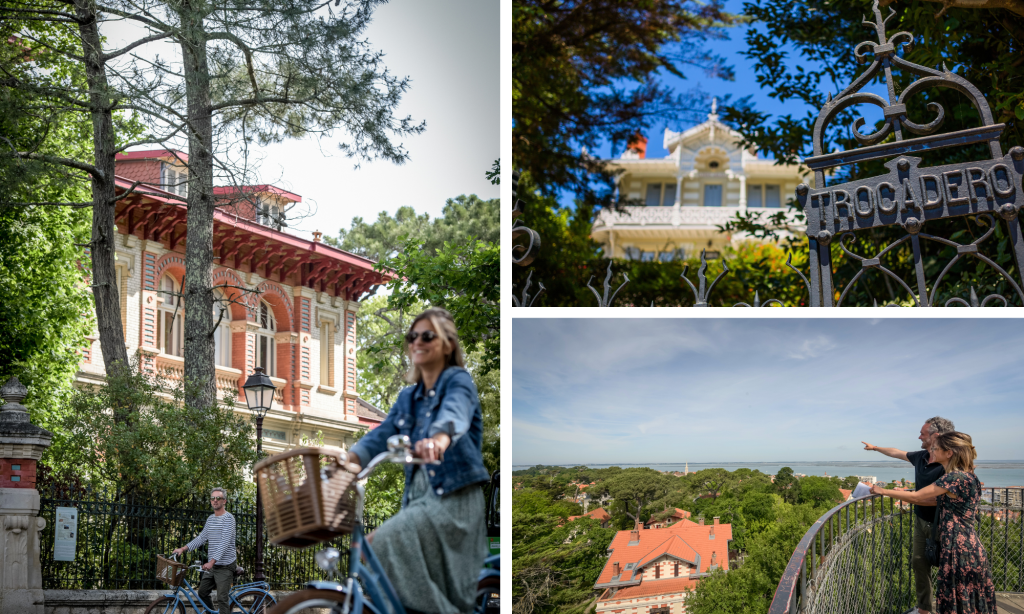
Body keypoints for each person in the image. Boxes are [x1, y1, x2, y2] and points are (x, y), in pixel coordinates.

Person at [347, 307, 490, 614]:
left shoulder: (458, 381)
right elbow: (380, 436)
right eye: (413, 336)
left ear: (448, 344)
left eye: (428, 335)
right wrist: (348, 460)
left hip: (454, 498)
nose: (418, 342)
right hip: (419, 500)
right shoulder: (407, 399)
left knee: (385, 540)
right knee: (369, 548)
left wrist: (439, 440)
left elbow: (455, 413)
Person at [871, 432, 997, 614]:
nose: (932, 450)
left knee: (957, 598)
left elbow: (916, 496)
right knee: (970, 600)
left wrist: (883, 491)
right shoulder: (967, 475)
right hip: (968, 546)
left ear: (949, 453)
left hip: (957, 548)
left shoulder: (953, 478)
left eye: (936, 448)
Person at [862, 416, 955, 614]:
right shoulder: (922, 456)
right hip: (922, 519)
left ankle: (951, 607)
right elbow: (898, 452)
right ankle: (924, 609)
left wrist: (891, 493)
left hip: (945, 524)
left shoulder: (948, 464)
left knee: (948, 568)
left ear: (935, 436)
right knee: (919, 563)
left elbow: (933, 499)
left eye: (922, 433)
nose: (919, 436)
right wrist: (875, 447)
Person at [172, 487, 237, 614]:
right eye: (213, 498)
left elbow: (224, 543)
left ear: (224, 501)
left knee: (222, 599)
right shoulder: (210, 519)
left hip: (225, 565)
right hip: (213, 565)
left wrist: (211, 562)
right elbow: (201, 538)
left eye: (218, 498)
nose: (215, 500)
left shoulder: (229, 519)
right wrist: (183, 549)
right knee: (202, 592)